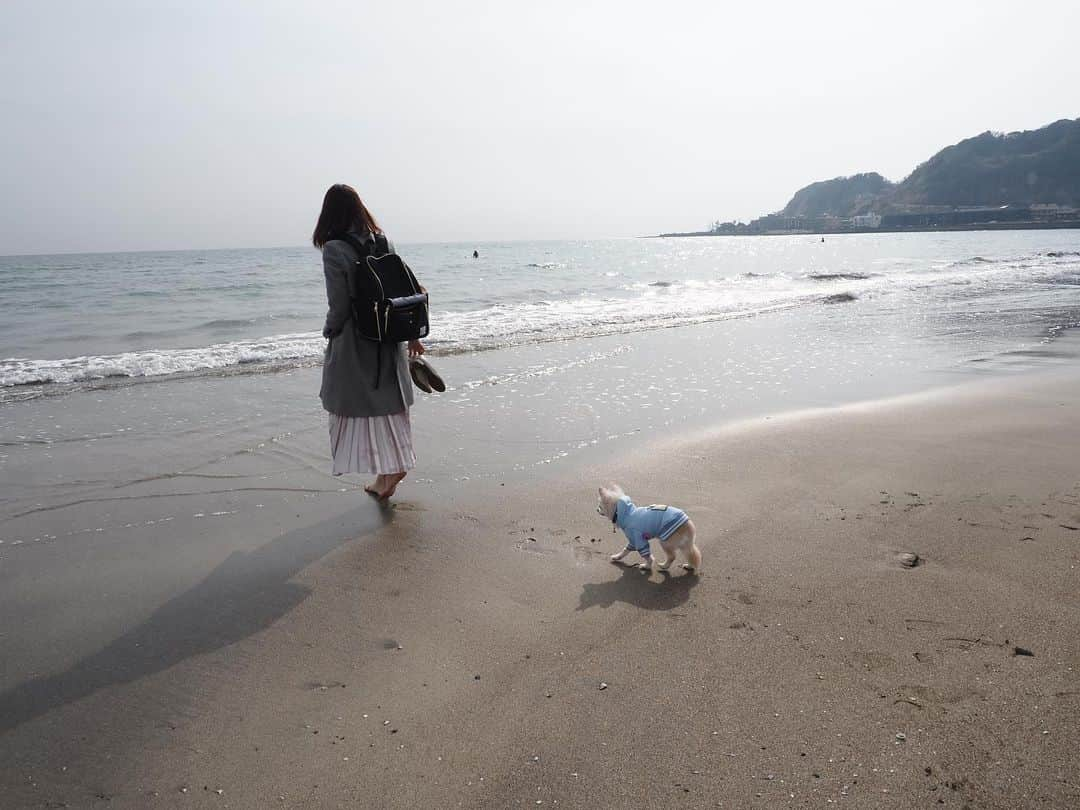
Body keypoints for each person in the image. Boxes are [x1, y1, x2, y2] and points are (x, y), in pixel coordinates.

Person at [312, 184, 425, 501]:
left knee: (350, 404)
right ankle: (390, 471)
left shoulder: (335, 249)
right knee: (391, 407)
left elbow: (339, 306)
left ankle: (388, 472)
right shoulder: (383, 239)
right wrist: (412, 333)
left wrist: (329, 332)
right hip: (389, 336)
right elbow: (403, 286)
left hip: (355, 342)